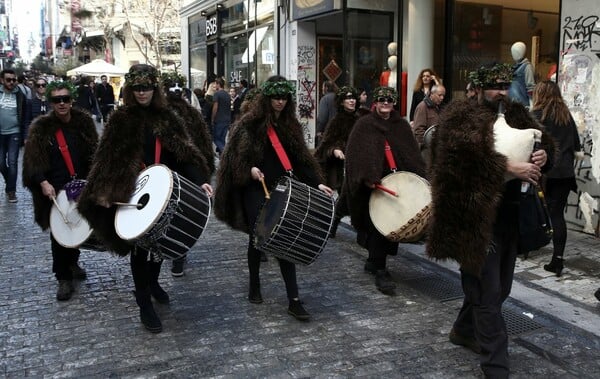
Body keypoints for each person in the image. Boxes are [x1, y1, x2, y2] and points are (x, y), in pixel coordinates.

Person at [426, 63, 554, 378]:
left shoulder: (516, 113)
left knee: (502, 288)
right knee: (488, 292)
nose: (501, 92)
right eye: (495, 86)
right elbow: (458, 163)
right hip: (474, 218)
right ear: (478, 88)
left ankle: (463, 329)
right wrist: (508, 167)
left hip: (509, 215)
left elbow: (544, 142)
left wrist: (544, 156)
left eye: (504, 85)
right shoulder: (460, 117)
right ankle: (496, 366)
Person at [77, 64, 213, 333]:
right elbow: (107, 159)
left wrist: (201, 181)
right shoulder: (120, 119)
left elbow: (184, 154)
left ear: (154, 88)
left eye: (146, 87)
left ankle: (153, 283)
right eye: (137, 88)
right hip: (132, 193)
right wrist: (103, 191)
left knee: (159, 242)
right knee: (140, 250)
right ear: (130, 90)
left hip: (163, 190)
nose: (142, 93)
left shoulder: (168, 117)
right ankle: (144, 304)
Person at [214, 75, 333, 321]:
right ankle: (254, 283)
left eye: (284, 98)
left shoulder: (290, 125)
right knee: (259, 236)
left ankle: (294, 299)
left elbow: (302, 160)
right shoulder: (249, 124)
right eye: (275, 98)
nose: (280, 102)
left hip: (283, 186)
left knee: (284, 238)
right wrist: (249, 170)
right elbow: (234, 159)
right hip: (255, 187)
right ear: (266, 99)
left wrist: (318, 182)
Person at [344, 86, 426, 295]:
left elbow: (412, 154)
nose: (385, 104)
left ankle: (374, 262)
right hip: (376, 186)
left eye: (389, 101)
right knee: (378, 228)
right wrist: (366, 177)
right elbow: (355, 155)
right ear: (376, 102)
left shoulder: (401, 126)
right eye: (382, 100)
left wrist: (418, 178)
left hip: (398, 186)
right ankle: (380, 269)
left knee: (392, 227)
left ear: (394, 103)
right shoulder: (364, 125)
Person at [22, 81, 98, 301]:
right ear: (50, 101)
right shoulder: (41, 128)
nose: (62, 103)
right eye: (57, 100)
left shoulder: (83, 123)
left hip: (80, 187)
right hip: (55, 190)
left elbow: (95, 152)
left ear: (72, 99)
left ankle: (73, 262)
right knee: (59, 234)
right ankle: (63, 277)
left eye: (65, 99)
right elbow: (32, 162)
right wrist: (42, 182)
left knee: (77, 227)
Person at [161, 72, 216, 277]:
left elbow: (202, 143)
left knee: (181, 213)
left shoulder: (192, 114)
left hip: (187, 171)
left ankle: (178, 254)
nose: (175, 91)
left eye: (178, 87)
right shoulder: (160, 114)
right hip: (163, 171)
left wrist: (202, 173)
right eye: (171, 87)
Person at [530, 80, 583, 277]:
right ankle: (558, 259)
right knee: (557, 215)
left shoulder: (537, 115)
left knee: (537, 209)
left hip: (547, 172)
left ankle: (528, 244)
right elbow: (576, 144)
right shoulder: (565, 115)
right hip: (566, 172)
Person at [314, 86, 359, 238]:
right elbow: (326, 144)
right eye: (348, 98)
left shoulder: (362, 118)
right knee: (345, 196)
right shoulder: (336, 121)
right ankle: (333, 225)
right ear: (341, 102)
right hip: (342, 168)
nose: (351, 101)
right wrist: (335, 150)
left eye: (353, 98)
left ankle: (359, 227)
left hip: (359, 163)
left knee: (354, 197)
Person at [0, 69, 31, 203]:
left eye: (14, 80)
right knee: (1, 163)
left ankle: (11, 191)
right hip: (0, 134)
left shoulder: (20, 95)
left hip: (15, 133)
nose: (12, 82)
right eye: (8, 80)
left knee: (12, 162)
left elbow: (25, 117)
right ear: (2, 80)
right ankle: (10, 182)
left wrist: (25, 135)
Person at [412, 84, 446, 148]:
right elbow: (418, 130)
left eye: (443, 95)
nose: (442, 98)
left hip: (437, 146)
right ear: (432, 94)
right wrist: (426, 145)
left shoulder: (440, 107)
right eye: (439, 95)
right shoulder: (422, 107)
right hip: (426, 147)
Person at [508, 41, 535, 107]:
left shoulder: (527, 66)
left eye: (517, 52)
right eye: (513, 52)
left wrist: (532, 104)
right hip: (513, 103)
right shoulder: (514, 67)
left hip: (522, 104)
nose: (514, 54)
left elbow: (531, 87)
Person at [210, 77, 231, 156]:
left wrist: (212, 118)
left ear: (218, 84)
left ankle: (225, 153)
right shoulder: (227, 94)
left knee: (216, 138)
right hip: (227, 119)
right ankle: (222, 156)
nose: (215, 85)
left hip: (219, 119)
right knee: (222, 138)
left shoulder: (217, 94)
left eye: (215, 84)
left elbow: (215, 107)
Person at [315, 80, 337, 146]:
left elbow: (322, 118)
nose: (322, 89)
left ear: (326, 88)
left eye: (322, 87)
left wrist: (319, 130)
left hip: (327, 133)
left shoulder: (325, 99)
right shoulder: (338, 97)